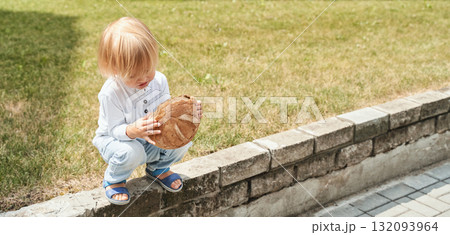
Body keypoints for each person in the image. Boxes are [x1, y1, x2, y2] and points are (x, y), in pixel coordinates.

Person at [92, 17, 202, 205]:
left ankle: (159, 169)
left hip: (149, 138)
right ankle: (114, 179)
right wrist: (133, 131)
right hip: (115, 141)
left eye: (148, 69)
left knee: (182, 141)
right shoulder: (111, 93)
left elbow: (166, 113)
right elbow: (113, 130)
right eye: (133, 75)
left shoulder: (159, 80)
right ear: (115, 69)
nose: (143, 78)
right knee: (131, 152)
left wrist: (187, 114)